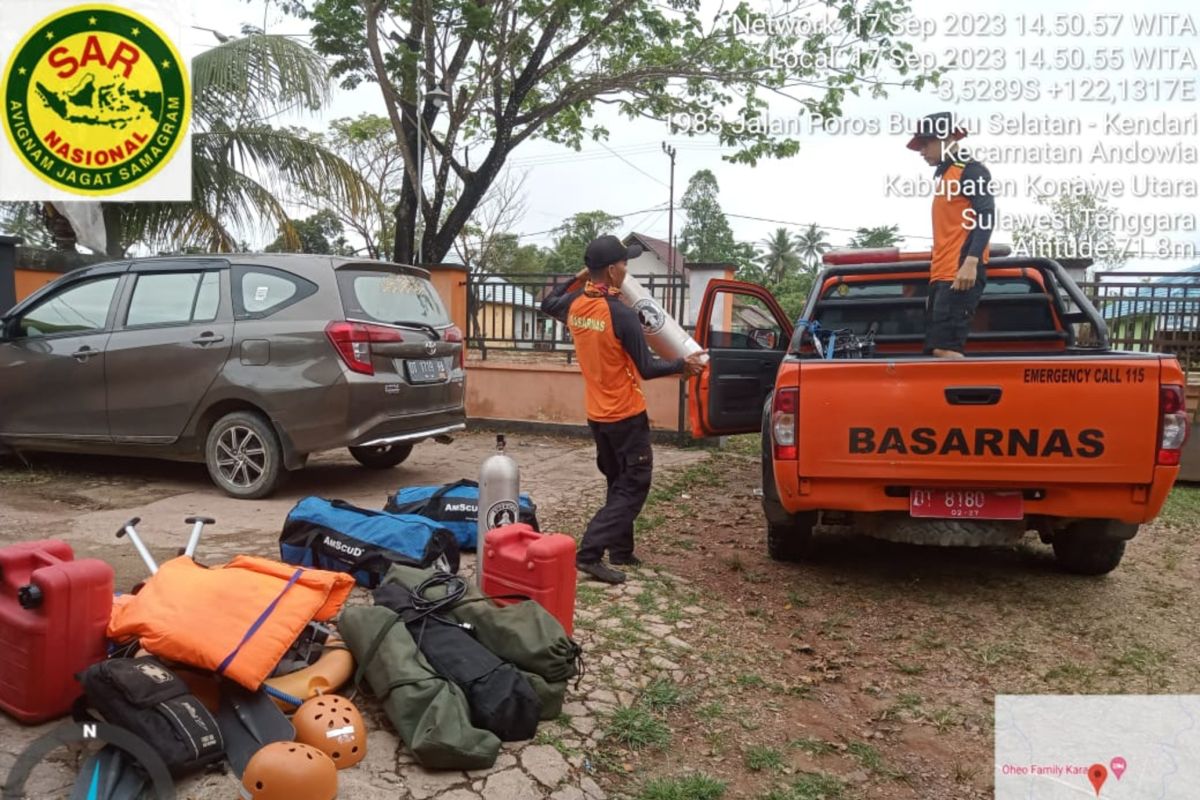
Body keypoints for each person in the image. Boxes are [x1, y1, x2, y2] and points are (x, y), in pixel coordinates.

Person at [540, 235, 707, 584]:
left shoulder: (575, 305)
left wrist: (582, 273)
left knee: (618, 481)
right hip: (626, 415)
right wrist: (683, 365)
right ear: (614, 271)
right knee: (634, 484)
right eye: (625, 265)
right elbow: (647, 368)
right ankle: (589, 552)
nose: (627, 270)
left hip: (598, 415)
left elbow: (548, 301)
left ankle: (620, 549)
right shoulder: (621, 314)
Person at [907, 111, 996, 358]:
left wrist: (971, 262)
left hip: (960, 273)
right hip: (944, 275)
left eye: (925, 144)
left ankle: (972, 391)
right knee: (937, 349)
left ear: (945, 139)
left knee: (945, 350)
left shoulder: (971, 170)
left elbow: (986, 216)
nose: (922, 152)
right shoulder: (947, 175)